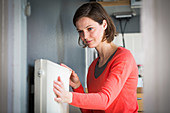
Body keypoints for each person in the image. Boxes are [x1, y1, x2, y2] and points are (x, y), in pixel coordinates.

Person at [53, 2, 138, 113]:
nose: (85, 37)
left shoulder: (123, 58)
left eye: (90, 29)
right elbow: (88, 111)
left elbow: (105, 100)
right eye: (80, 31)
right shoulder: (93, 67)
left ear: (104, 25)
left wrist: (69, 97)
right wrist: (77, 86)